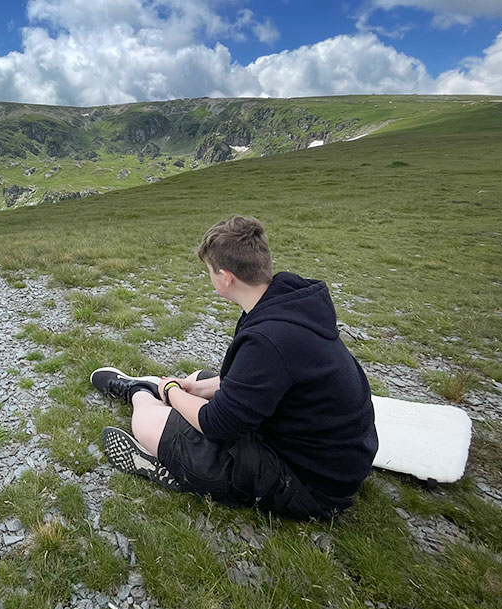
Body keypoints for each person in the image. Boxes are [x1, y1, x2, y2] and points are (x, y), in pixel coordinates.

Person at [92, 215, 378, 519]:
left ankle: (140, 394)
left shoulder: (269, 341)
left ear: (226, 277)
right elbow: (268, 378)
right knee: (200, 379)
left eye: (210, 272)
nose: (210, 278)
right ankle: (155, 395)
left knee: (148, 422)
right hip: (328, 457)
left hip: (310, 486)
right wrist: (198, 388)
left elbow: (216, 425)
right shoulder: (287, 300)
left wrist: (174, 391)